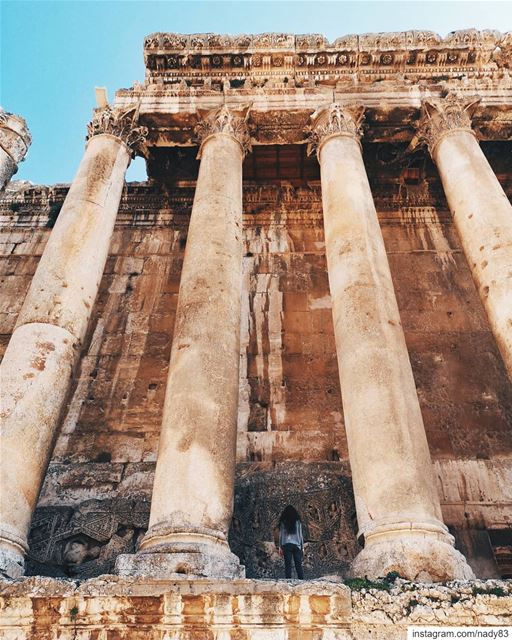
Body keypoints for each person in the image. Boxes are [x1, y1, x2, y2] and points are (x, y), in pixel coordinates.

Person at [278, 505, 304, 579]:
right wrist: (302, 547)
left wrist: (280, 546)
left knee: (288, 564)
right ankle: (301, 580)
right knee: (298, 564)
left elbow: (281, 535)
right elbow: (300, 534)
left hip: (286, 545)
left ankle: (288, 580)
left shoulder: (283, 522)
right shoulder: (298, 522)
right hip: (297, 545)